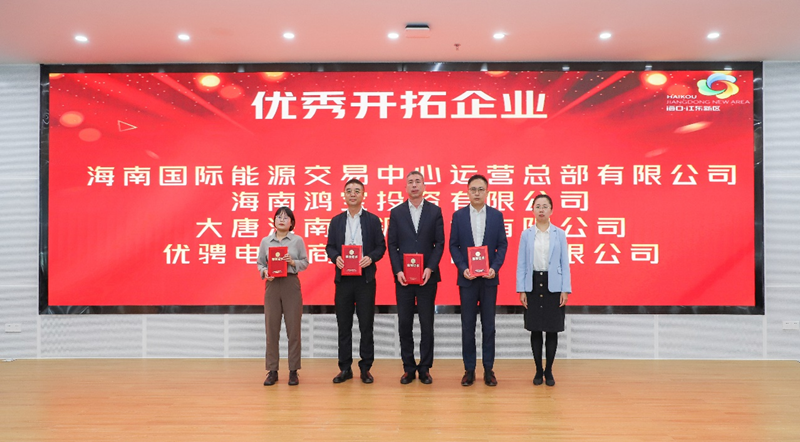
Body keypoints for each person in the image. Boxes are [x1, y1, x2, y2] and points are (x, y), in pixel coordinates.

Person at [449, 174, 508, 387]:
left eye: (480, 189)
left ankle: (489, 369)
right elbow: (453, 245)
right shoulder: (459, 216)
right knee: (468, 325)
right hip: (468, 279)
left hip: (489, 279)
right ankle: (469, 369)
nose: (476, 193)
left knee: (488, 326)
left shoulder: (496, 216)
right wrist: (463, 268)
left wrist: (494, 268)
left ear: (487, 192)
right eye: (473, 189)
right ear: (467, 192)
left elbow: (502, 244)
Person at [387, 171, 445, 385]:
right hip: (403, 278)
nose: (414, 185)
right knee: (405, 323)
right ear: (405, 187)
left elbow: (440, 243)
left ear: (424, 186)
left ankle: (425, 368)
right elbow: (392, 244)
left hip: (427, 278)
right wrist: (398, 271)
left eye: (417, 181)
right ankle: (409, 368)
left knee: (426, 323)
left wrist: (430, 268)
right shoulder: (397, 212)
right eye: (410, 182)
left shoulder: (435, 211)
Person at [326, 178, 386, 384]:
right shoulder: (336, 221)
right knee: (344, 325)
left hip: (365, 280)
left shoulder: (372, 220)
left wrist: (371, 257)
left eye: (357, 191)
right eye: (349, 191)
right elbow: (329, 246)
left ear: (363, 195)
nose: (353, 194)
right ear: (344, 195)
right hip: (343, 280)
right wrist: (336, 257)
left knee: (366, 325)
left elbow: (381, 246)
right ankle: (345, 368)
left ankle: (366, 368)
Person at [516, 194, 571, 387]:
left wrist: (565, 289)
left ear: (551, 210)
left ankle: (549, 370)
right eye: (537, 206)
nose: (541, 210)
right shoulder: (526, 234)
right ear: (532, 210)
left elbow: (565, 263)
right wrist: (521, 289)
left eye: (545, 206)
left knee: (552, 330)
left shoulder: (559, 234)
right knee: (536, 329)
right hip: (533, 283)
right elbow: (522, 264)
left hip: (553, 285)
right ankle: (538, 370)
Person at [256, 207, 309, 386]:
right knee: (271, 329)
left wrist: (292, 262)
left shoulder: (297, 240)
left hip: (290, 284)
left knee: (293, 329)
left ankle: (293, 371)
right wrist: (265, 272)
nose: (281, 220)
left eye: (286, 218)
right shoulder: (266, 241)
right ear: (274, 220)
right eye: (279, 217)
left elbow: (305, 262)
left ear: (291, 223)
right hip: (272, 285)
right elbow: (260, 263)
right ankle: (272, 371)